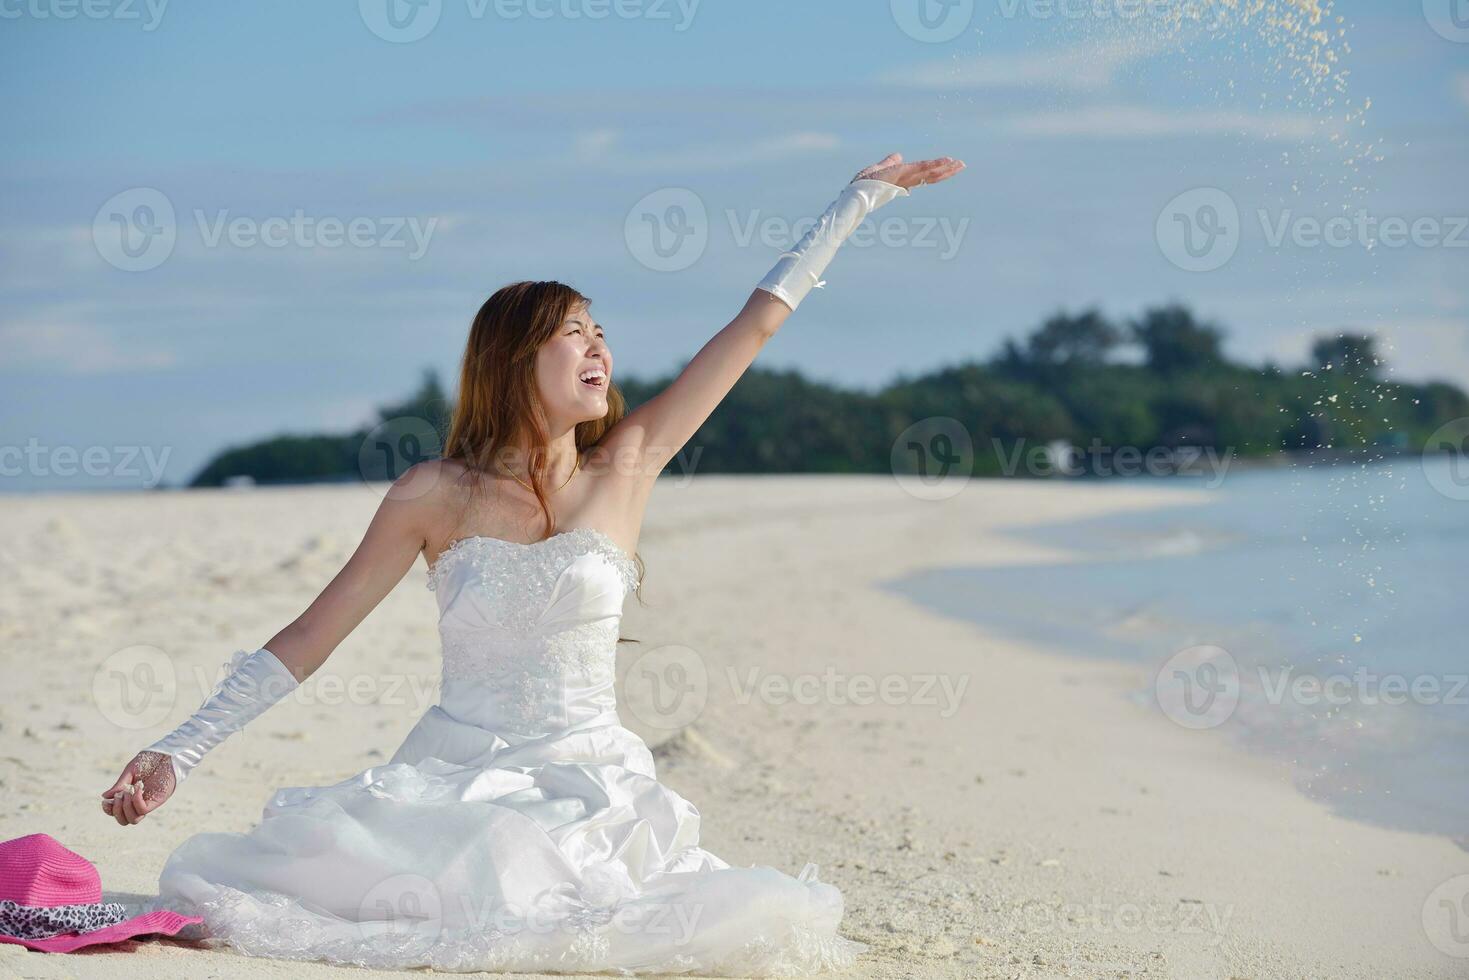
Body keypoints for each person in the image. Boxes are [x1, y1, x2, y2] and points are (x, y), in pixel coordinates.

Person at [99, 152, 966, 975]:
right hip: (449, 783)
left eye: (601, 333)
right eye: (573, 333)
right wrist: (179, 748)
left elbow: (755, 324)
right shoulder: (432, 493)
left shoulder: (626, 466)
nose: (599, 349)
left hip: (591, 787)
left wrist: (855, 201)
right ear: (515, 360)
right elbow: (311, 636)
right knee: (376, 880)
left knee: (629, 904)